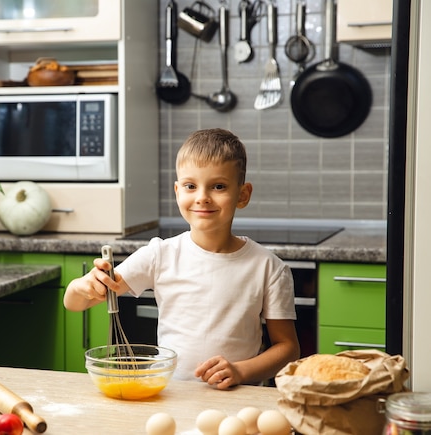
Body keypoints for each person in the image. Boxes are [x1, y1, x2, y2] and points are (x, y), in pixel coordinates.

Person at [63, 128, 300, 389]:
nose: (202, 197)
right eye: (190, 186)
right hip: (171, 392)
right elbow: (74, 303)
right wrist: (82, 286)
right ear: (178, 191)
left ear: (242, 195)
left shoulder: (268, 268)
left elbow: (288, 348)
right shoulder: (160, 255)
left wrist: (240, 371)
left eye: (218, 186)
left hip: (237, 396)